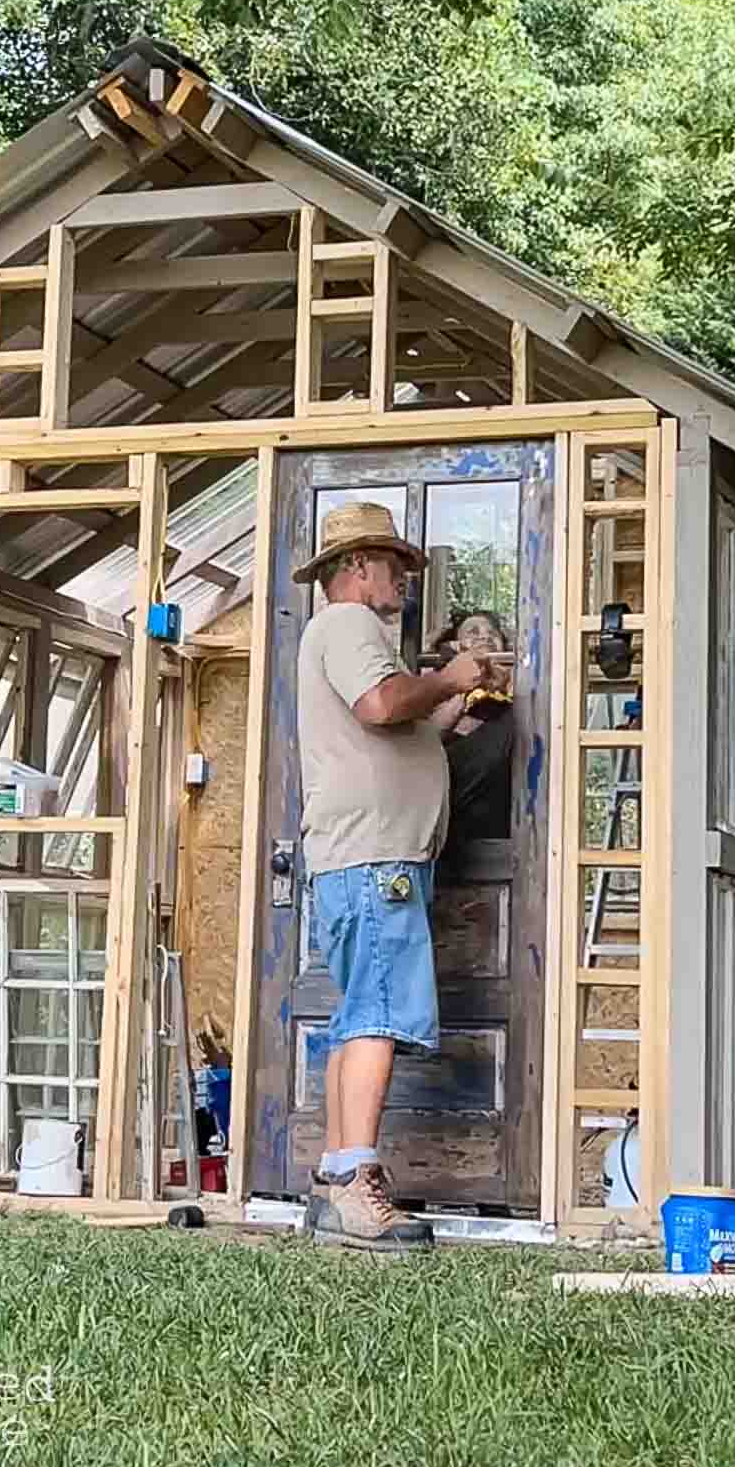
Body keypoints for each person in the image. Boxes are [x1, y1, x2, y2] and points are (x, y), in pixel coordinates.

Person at [294, 501, 491, 1251]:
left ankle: (336, 1176)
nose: (405, 577)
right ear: (356, 568)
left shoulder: (352, 638)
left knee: (360, 1012)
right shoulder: (348, 627)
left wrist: (446, 707)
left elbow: (391, 727)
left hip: (368, 857)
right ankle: (355, 1186)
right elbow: (381, 705)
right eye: (395, 564)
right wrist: (450, 676)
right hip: (374, 859)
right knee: (377, 1014)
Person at [430, 610, 516, 877]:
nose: (485, 637)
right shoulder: (440, 707)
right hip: (446, 848)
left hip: (502, 844)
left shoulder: (516, 712)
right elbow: (427, 740)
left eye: (492, 633)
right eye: (473, 633)